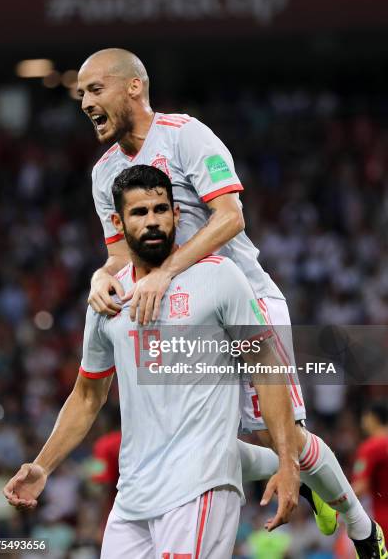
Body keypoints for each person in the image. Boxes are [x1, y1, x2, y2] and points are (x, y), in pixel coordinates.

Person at [77, 48, 384, 557]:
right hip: (185, 319)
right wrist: (98, 279)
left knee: (277, 438)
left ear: (133, 86)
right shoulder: (103, 173)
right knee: (200, 445)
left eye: (94, 89)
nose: (85, 101)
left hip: (245, 301)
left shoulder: (184, 135)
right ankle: (312, 484)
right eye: (81, 94)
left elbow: (230, 217)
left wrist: (168, 271)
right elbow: (117, 258)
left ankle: (360, 527)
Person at [4, 165, 300, 558]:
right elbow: (88, 395)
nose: (153, 221)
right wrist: (43, 466)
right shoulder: (108, 300)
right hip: (133, 499)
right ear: (118, 222)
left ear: (177, 214)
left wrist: (288, 461)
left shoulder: (220, 277)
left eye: (161, 209)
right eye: (139, 213)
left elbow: (267, 367)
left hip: (201, 486)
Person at [352, 401, 388, 540]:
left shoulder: (371, 447)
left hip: (384, 518)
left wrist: (334, 504)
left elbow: (360, 487)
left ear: (373, 418)